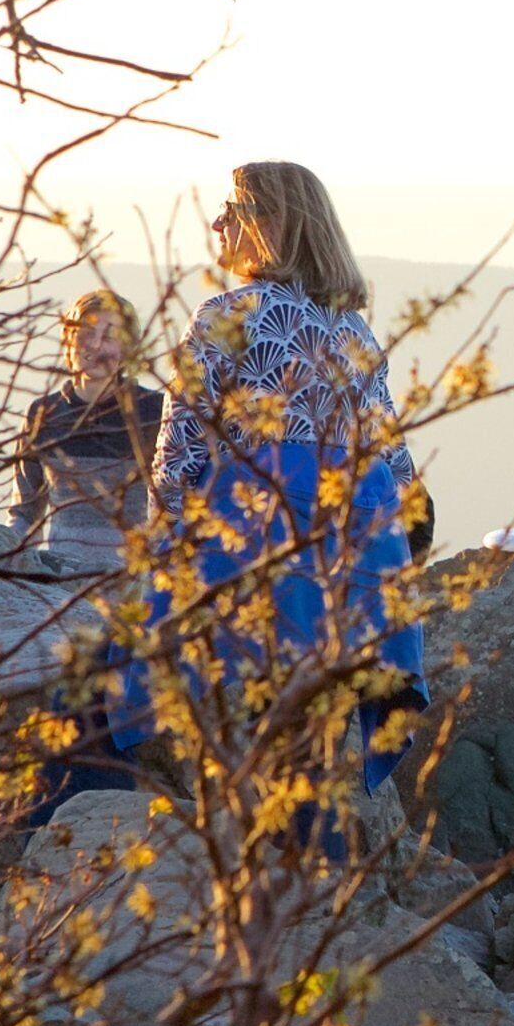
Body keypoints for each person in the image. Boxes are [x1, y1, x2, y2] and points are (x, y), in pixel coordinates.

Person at [150, 161, 426, 851]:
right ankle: (320, 890)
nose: (216, 225)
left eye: (231, 211)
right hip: (356, 551)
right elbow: (395, 461)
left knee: (251, 732)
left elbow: (179, 452)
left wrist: (165, 561)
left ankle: (268, 903)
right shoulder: (356, 331)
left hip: (260, 543)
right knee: (315, 736)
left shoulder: (227, 317)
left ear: (270, 226)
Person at [14, 290, 160, 559]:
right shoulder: (42, 414)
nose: (95, 345)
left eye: (110, 336)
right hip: (61, 589)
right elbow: (25, 515)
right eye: (86, 334)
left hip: (135, 588)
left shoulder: (156, 412)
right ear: (68, 342)